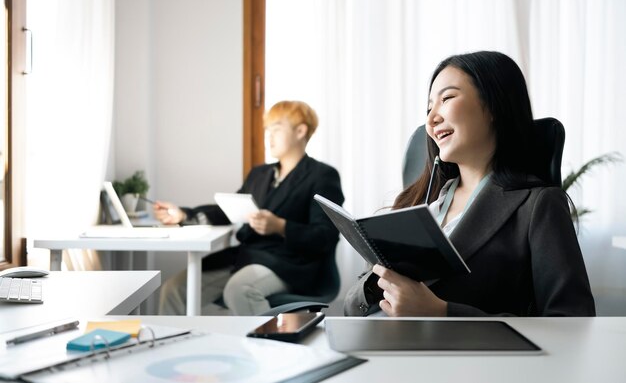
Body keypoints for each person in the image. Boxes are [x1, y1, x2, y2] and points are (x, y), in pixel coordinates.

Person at [345, 51, 596, 317]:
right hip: (380, 349)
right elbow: (352, 307)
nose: (431, 119)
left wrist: (443, 313)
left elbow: (572, 321)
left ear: (494, 106)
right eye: (429, 107)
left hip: (467, 358)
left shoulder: (537, 206)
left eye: (447, 98)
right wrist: (378, 285)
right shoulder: (416, 204)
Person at [157, 100, 344, 315]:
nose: (269, 136)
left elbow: (325, 236)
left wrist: (280, 226)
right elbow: (227, 211)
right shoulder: (259, 175)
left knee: (239, 290)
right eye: (267, 130)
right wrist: (183, 214)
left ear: (301, 130)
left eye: (277, 128)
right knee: (174, 289)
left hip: (291, 265)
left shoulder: (322, 176)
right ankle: (174, 346)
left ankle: (265, 347)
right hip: (247, 257)